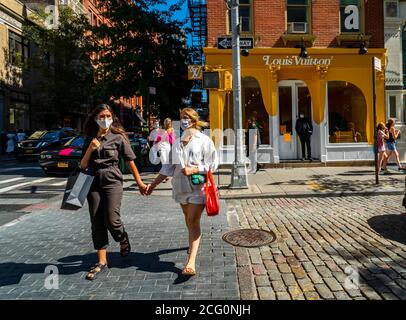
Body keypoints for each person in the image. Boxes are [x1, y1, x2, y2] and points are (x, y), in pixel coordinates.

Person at [146, 108, 218, 276]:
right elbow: (167, 168)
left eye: (186, 118)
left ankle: (191, 262)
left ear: (193, 120)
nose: (183, 120)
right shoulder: (177, 142)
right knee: (188, 219)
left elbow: (213, 164)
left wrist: (195, 169)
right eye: (181, 118)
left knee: (193, 220)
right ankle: (193, 241)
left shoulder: (204, 140)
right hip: (180, 187)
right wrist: (153, 185)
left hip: (197, 187)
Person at [79, 104, 148, 280]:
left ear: (112, 117)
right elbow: (83, 165)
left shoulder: (118, 137)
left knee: (111, 218)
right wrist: (90, 149)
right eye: (101, 116)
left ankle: (122, 237)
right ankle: (102, 261)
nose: (105, 119)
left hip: (112, 180)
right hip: (92, 181)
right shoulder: (89, 138)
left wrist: (139, 182)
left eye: (108, 115)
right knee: (96, 220)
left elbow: (131, 160)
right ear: (95, 118)